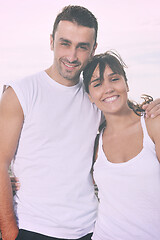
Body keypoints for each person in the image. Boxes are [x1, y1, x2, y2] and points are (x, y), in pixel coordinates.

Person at [0, 5, 160, 240]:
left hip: (90, 229)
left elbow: (124, 110)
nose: (72, 56)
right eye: (65, 43)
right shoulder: (21, 92)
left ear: (93, 49)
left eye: (82, 47)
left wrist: (153, 107)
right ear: (52, 41)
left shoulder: (94, 96)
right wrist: (10, 231)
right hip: (34, 228)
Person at [83, 51, 160, 240]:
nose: (108, 88)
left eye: (114, 79)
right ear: (90, 96)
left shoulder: (152, 125)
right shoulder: (94, 143)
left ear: (126, 83)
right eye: (97, 84)